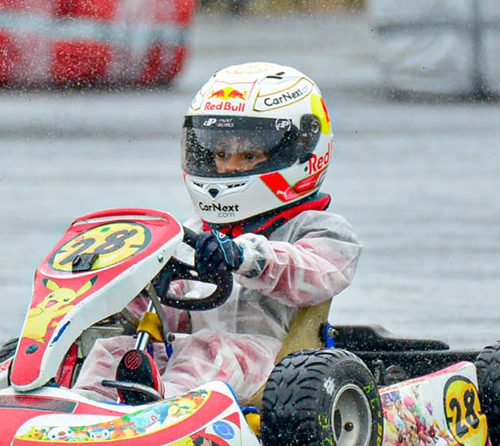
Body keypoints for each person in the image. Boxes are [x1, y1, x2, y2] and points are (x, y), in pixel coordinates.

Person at [74, 62, 361, 405]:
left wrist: (244, 257)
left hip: (278, 369)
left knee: (208, 348)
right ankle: (80, 413)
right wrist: (129, 288)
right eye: (221, 153)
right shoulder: (195, 234)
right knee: (114, 349)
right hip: (200, 361)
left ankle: (163, 415)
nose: (229, 167)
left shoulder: (322, 230)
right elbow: (175, 311)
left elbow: (312, 275)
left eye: (249, 155)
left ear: (299, 151)